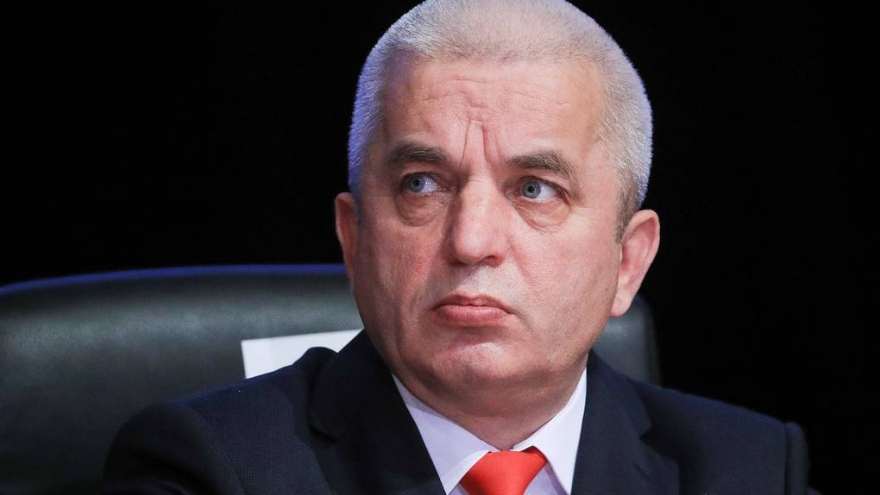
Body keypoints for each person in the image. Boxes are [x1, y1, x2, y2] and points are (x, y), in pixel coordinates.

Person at [102, 0, 820, 494]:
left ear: (627, 261)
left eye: (535, 189)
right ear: (354, 239)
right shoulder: (209, 470)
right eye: (422, 184)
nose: (472, 241)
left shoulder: (752, 472)